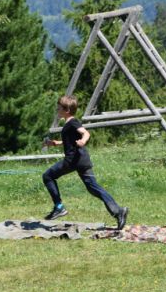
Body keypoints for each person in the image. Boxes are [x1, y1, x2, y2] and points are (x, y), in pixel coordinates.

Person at [42, 95, 128, 230]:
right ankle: (119, 211)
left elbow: (86, 133)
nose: (57, 109)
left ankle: (59, 207)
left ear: (67, 110)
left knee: (47, 176)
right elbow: (70, 140)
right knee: (93, 187)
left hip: (73, 161)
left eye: (59, 107)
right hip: (82, 160)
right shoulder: (69, 124)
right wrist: (56, 143)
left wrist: (83, 140)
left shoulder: (72, 122)